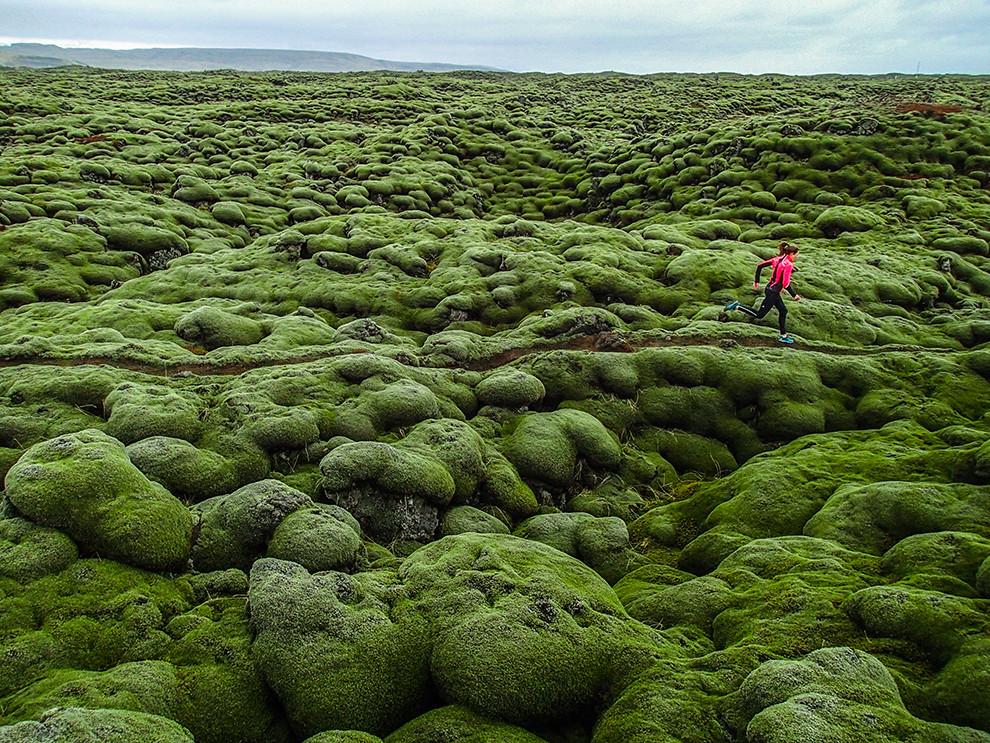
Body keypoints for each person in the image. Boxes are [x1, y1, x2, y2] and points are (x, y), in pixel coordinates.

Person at [725, 242, 802, 344]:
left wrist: (756, 280)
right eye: (796, 255)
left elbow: (760, 266)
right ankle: (737, 306)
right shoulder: (788, 264)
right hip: (772, 293)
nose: (796, 257)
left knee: (783, 311)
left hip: (770, 289)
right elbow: (786, 283)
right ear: (791, 254)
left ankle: (783, 336)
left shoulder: (777, 259)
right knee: (759, 315)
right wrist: (794, 295)